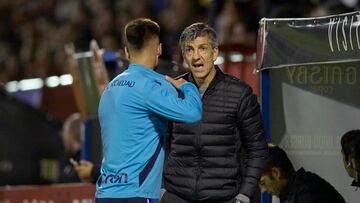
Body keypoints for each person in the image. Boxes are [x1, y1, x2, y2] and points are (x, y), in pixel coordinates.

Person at [95, 18, 202, 203]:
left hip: (104, 193)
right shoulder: (154, 85)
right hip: (136, 194)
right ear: (159, 49)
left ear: (127, 52)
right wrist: (187, 87)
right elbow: (193, 112)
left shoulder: (109, 89)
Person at [161, 22, 268, 203]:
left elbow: (257, 150)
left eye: (203, 48)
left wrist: (243, 196)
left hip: (225, 198)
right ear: (184, 55)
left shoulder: (240, 94)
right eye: (189, 50)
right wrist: (163, 192)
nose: (196, 57)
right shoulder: (171, 91)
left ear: (215, 52)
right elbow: (160, 145)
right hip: (176, 196)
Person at [259, 144, 346, 203]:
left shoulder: (307, 192)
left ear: (276, 173)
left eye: (263, 183)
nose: (263, 190)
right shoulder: (296, 191)